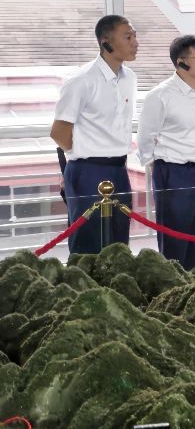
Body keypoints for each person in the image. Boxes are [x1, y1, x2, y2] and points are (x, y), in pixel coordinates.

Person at [50, 15, 138, 255]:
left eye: (134, 36)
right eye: (128, 37)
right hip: (87, 170)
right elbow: (59, 132)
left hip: (119, 168)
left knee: (119, 241)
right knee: (87, 242)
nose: (135, 42)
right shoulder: (81, 80)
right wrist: (81, 155)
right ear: (106, 42)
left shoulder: (129, 77)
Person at [137, 35, 195, 269]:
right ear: (182, 62)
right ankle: (174, 286)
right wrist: (161, 169)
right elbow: (145, 138)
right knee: (175, 240)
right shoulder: (160, 95)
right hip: (174, 172)